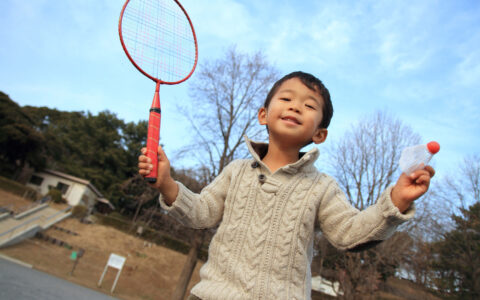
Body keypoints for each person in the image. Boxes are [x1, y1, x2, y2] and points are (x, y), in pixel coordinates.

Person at [138, 71, 435, 300]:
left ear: (319, 134)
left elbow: (349, 234)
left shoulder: (322, 187)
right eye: (286, 99)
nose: (295, 107)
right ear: (263, 115)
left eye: (308, 105)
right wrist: (166, 183)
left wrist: (396, 200)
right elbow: (200, 212)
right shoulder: (236, 171)